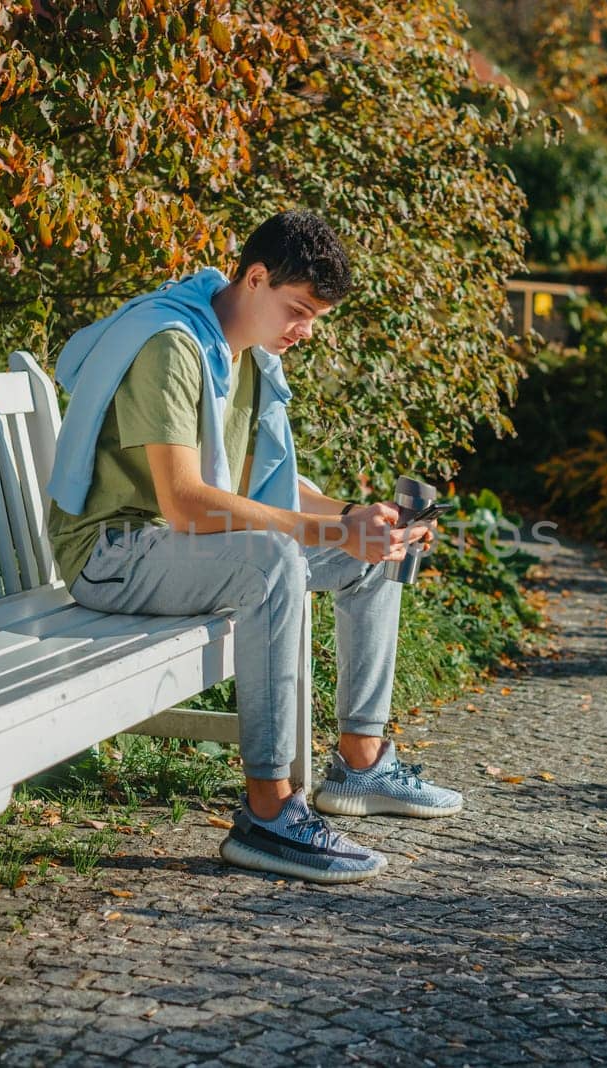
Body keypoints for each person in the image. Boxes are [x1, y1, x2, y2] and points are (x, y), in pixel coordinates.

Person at [44, 209, 463, 884]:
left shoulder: (238, 354)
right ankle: (270, 814)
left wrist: (357, 518)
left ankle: (361, 765)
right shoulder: (174, 344)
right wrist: (330, 529)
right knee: (276, 558)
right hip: (113, 555)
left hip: (178, 553)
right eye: (298, 310)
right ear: (256, 277)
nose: (303, 331)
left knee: (371, 550)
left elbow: (259, 485)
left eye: (314, 319)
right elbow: (184, 499)